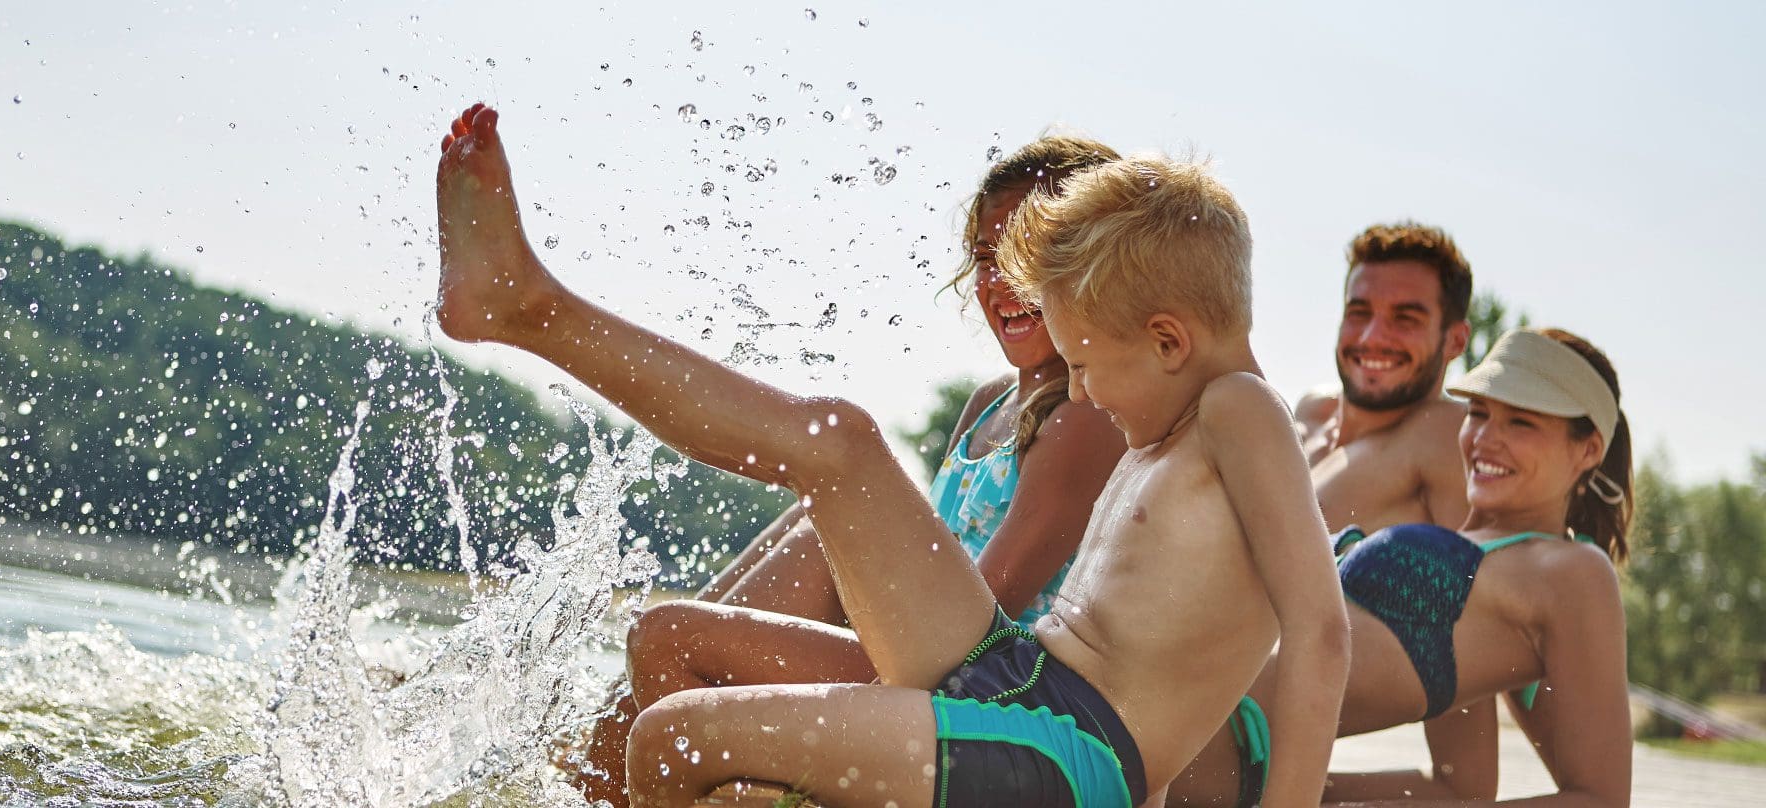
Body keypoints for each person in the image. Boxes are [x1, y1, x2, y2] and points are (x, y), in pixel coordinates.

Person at [436, 103, 1349, 807]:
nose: (1084, 392)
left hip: (1065, 738)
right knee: (839, 440)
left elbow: (1321, 631)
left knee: (674, 742)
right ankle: (527, 308)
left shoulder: (1240, 411)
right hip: (1019, 675)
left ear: (1167, 340)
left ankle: (526, 309)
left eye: (1084, 364)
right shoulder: (1180, 419)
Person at [573, 137, 1131, 807]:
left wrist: (828, 717)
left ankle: (627, 779)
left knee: (670, 638)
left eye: (1030, 257)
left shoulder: (1084, 416)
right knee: (817, 527)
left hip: (988, 699)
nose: (1001, 281)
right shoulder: (991, 403)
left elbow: (981, 634)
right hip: (926, 658)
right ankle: (589, 774)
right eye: (986, 258)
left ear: (1096, 264)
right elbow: (921, 563)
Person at [1165, 328, 1635, 807]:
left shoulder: (1573, 572)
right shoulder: (1475, 566)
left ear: (1588, 449)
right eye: (1478, 413)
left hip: (1175, 740)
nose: (1485, 439)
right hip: (1177, 719)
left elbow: (1600, 797)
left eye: (1521, 424)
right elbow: (1459, 787)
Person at [1298, 222, 1474, 533]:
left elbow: (1493, 574)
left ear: (1456, 341)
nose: (1372, 338)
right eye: (1359, 313)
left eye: (1405, 318)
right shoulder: (1311, 411)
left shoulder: (1449, 435)